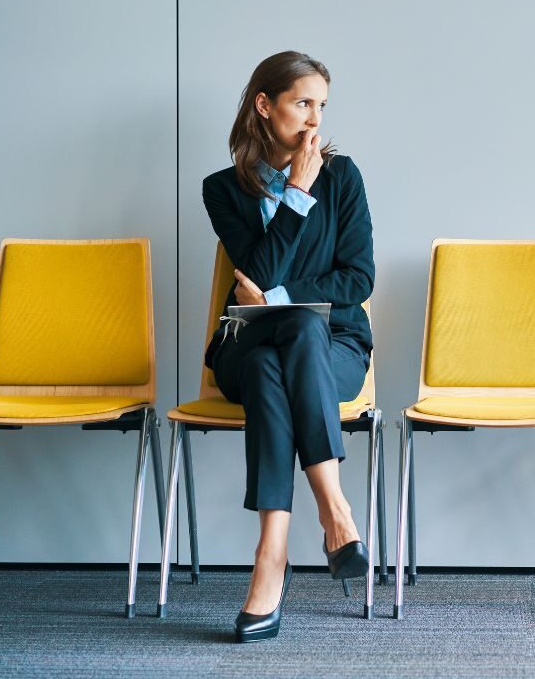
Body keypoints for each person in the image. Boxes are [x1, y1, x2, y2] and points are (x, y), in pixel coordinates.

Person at [202, 50, 375, 643]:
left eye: (322, 107)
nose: (314, 121)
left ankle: (270, 554)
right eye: (303, 103)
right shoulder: (223, 190)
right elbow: (257, 265)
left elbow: (358, 280)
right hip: (244, 346)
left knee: (297, 333)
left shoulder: (345, 176)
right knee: (282, 341)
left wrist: (276, 297)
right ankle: (335, 510)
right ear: (264, 105)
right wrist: (298, 193)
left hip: (334, 350)